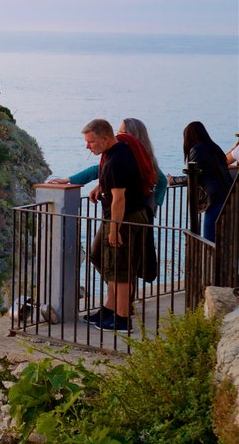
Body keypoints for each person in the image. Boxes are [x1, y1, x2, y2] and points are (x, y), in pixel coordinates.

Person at [79, 119, 156, 332]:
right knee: (104, 259)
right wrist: (101, 186)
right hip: (128, 216)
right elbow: (117, 183)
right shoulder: (119, 149)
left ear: (105, 139)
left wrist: (114, 229)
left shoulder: (117, 161)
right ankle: (110, 309)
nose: (88, 146)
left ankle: (122, 319)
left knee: (121, 268)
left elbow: (119, 198)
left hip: (124, 218)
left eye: (91, 142)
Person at [49, 118, 167, 217]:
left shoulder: (127, 155)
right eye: (118, 131)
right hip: (136, 209)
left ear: (134, 134)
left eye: (123, 132)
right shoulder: (140, 155)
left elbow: (102, 170)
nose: (118, 135)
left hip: (130, 211)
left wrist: (152, 206)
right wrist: (101, 186)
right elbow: (110, 174)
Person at [183, 121, 231, 242]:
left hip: (216, 200)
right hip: (230, 196)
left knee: (209, 241)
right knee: (228, 242)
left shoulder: (197, 150)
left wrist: (172, 180)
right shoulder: (215, 148)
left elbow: (192, 176)